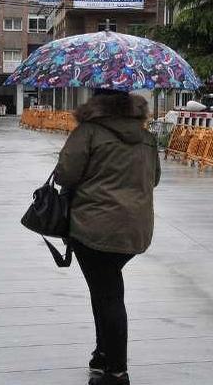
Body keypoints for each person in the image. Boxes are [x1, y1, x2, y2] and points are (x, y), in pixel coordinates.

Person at [54, 89, 161, 385]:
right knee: (104, 290)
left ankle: (116, 371)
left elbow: (65, 175)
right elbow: (154, 178)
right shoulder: (146, 137)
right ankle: (102, 355)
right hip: (135, 228)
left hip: (94, 227)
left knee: (109, 295)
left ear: (96, 104)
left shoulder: (88, 132)